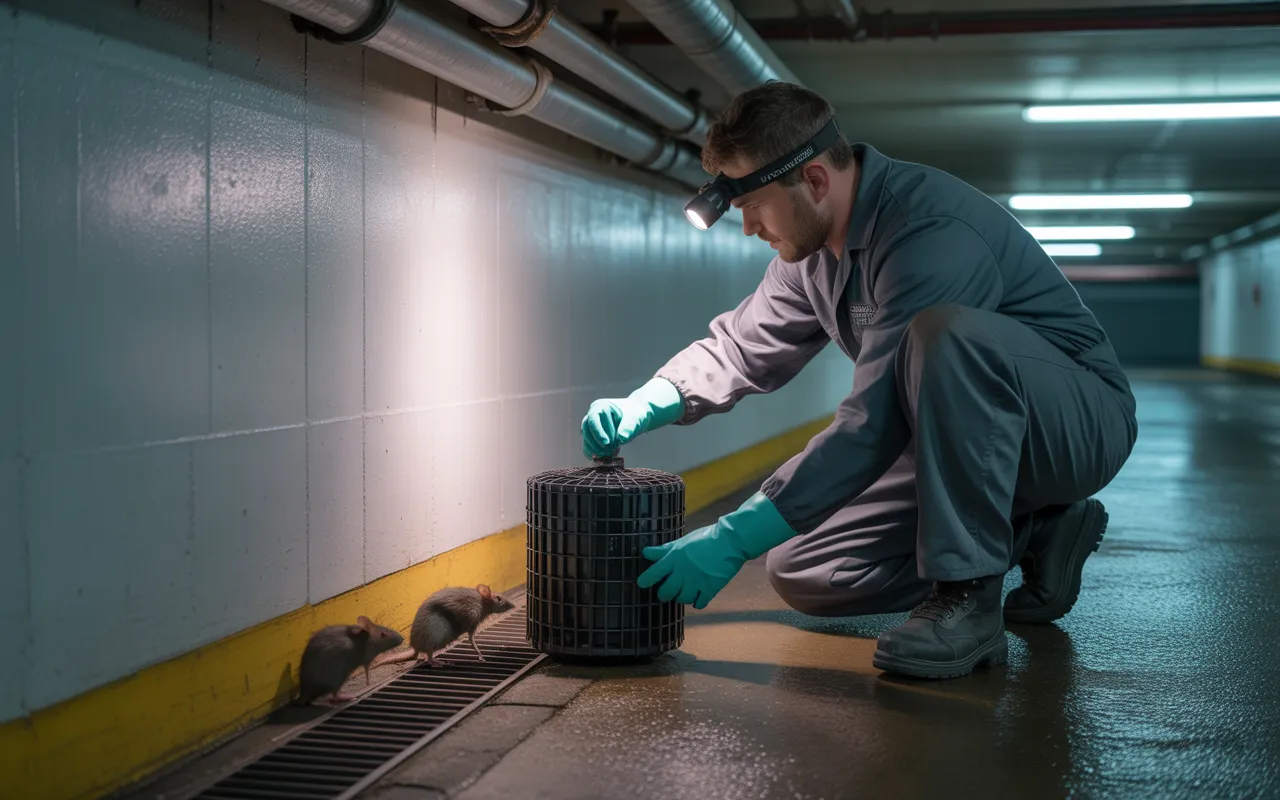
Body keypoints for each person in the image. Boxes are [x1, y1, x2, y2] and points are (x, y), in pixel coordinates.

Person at [580, 81, 1138, 679]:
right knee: (806, 566)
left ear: (815, 181)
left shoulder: (929, 232)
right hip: (960, 441)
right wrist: (649, 400)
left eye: (752, 207)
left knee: (945, 334)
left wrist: (731, 535)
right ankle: (1036, 530)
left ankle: (969, 599)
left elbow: (872, 423)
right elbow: (740, 346)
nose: (747, 229)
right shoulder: (812, 257)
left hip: (1072, 422)